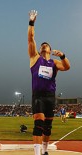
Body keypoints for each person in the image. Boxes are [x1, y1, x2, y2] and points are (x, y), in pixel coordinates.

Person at [28, 10, 71, 155]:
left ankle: (45, 151)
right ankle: (37, 153)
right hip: (38, 95)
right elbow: (30, 38)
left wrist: (63, 56)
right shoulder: (35, 58)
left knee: (48, 126)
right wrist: (31, 22)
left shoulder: (54, 62)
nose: (44, 45)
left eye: (46, 45)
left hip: (50, 96)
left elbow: (67, 67)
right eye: (42, 45)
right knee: (38, 124)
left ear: (50, 49)